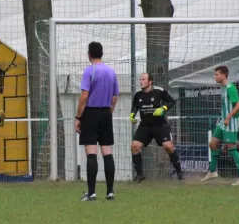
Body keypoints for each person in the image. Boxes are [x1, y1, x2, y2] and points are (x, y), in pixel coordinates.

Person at [74, 41, 119, 201]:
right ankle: (110, 192)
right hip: (106, 114)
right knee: (107, 152)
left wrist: (78, 117)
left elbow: (84, 97)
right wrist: (108, 113)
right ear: (102, 53)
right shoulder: (111, 72)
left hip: (91, 113)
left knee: (91, 152)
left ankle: (92, 192)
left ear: (89, 55)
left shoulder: (89, 70)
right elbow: (114, 98)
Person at [130, 73, 183, 182]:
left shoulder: (159, 91)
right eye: (140, 79)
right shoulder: (138, 95)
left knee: (168, 146)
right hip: (145, 126)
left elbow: (171, 101)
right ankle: (140, 175)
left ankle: (179, 173)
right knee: (134, 146)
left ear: (150, 82)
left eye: (143, 79)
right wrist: (132, 114)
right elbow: (135, 106)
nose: (141, 81)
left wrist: (163, 108)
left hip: (160, 125)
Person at [200, 65, 239, 185]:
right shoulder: (223, 87)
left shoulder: (230, 88)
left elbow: (238, 105)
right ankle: (212, 172)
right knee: (212, 143)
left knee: (231, 148)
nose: (215, 77)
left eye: (216, 74)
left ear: (223, 75)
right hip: (223, 122)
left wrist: (228, 117)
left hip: (230, 123)